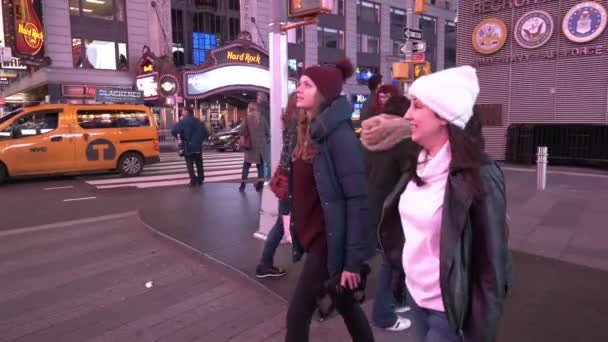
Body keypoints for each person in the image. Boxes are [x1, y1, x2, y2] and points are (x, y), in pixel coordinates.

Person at [378, 66, 512, 342]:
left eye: (417, 106)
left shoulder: (480, 176)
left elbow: (492, 266)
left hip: (450, 309)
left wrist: (480, 331)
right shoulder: (418, 163)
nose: (407, 115)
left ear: (443, 115)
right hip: (417, 296)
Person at [285, 59, 375, 342]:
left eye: (307, 85)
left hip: (328, 242)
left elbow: (356, 200)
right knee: (345, 302)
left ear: (323, 93)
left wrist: (350, 262)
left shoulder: (340, 137)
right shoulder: (308, 130)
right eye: (299, 83)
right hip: (317, 238)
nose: (299, 89)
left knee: (297, 315)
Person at [363, 95, 417, 332]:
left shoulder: (368, 135)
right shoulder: (405, 139)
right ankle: (383, 314)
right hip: (394, 209)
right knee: (391, 260)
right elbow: (412, 178)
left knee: (393, 258)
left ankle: (397, 300)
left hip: (371, 205)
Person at [255, 93, 299, 278]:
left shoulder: (288, 124)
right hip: (292, 181)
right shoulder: (297, 127)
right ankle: (265, 264)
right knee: (283, 223)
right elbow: (293, 157)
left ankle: (265, 263)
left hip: (285, 179)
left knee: (282, 223)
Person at [171, 109, 206, 187]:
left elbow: (173, 131)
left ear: (186, 112)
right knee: (199, 163)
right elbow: (205, 132)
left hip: (188, 145)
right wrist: (200, 140)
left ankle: (193, 180)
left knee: (190, 164)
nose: (181, 112)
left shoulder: (183, 122)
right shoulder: (198, 121)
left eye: (183, 111)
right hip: (198, 145)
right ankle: (200, 179)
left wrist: (178, 137)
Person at [239, 102, 269, 192]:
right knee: (260, 167)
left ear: (250, 109)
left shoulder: (247, 118)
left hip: (250, 147)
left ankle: (243, 185)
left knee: (246, 167)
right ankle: (260, 185)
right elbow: (268, 132)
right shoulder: (262, 118)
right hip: (260, 148)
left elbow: (241, 130)